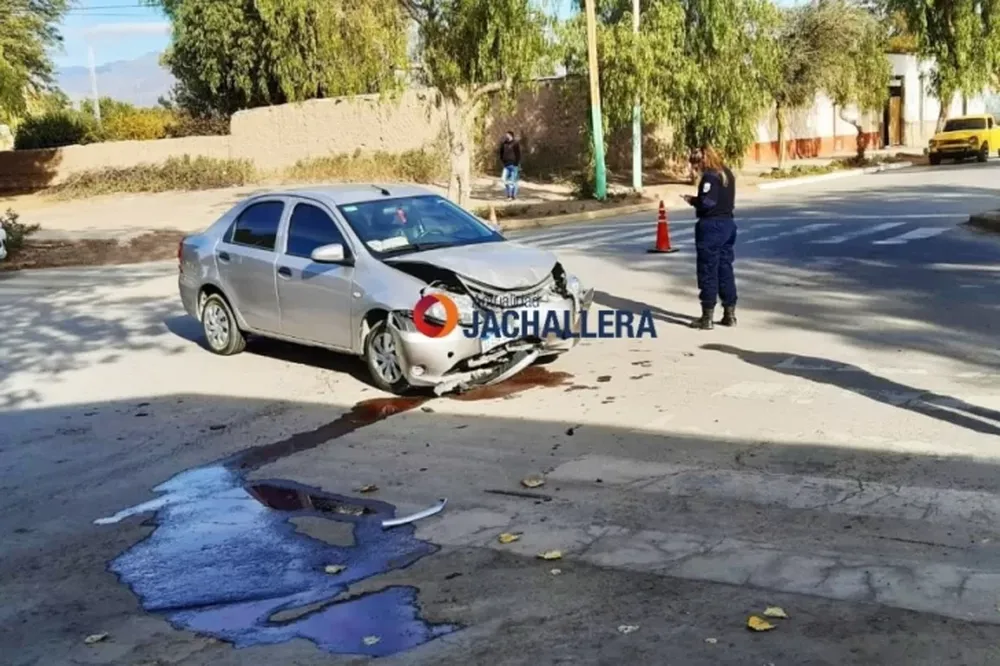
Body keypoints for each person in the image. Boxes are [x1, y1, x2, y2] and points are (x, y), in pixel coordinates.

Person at [681, 144, 737, 330]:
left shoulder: (710, 177)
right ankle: (730, 314)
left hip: (711, 227)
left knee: (708, 270)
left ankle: (707, 317)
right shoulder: (727, 173)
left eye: (696, 165)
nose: (695, 170)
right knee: (725, 269)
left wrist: (693, 200)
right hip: (728, 224)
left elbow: (708, 202)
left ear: (702, 161)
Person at [498, 131, 521, 200]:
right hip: (506, 165)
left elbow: (518, 154)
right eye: (506, 135)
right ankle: (509, 194)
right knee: (504, 179)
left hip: (513, 165)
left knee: (512, 181)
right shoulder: (504, 144)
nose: (506, 136)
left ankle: (511, 196)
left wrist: (516, 164)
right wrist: (502, 160)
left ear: (511, 135)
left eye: (507, 135)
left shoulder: (515, 143)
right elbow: (501, 153)